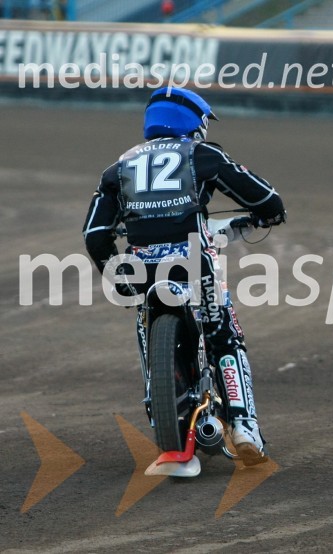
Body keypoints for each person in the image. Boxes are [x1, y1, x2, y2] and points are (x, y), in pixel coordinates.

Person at [83, 87, 286, 466]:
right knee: (224, 334)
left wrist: (116, 276)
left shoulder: (118, 167)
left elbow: (94, 234)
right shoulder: (200, 154)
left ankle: (158, 404)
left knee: (144, 327)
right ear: (193, 121)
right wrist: (269, 214)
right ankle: (244, 425)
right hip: (195, 262)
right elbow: (266, 198)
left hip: (141, 267)